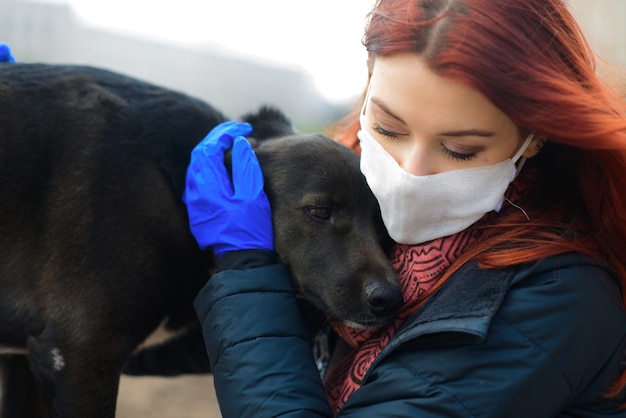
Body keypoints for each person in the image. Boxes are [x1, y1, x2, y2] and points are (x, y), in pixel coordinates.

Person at [184, 0, 626, 416]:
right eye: (388, 128)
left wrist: (244, 270)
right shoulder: (358, 190)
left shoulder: (559, 294)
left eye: (459, 150)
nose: (410, 173)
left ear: (534, 137)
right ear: (369, 82)